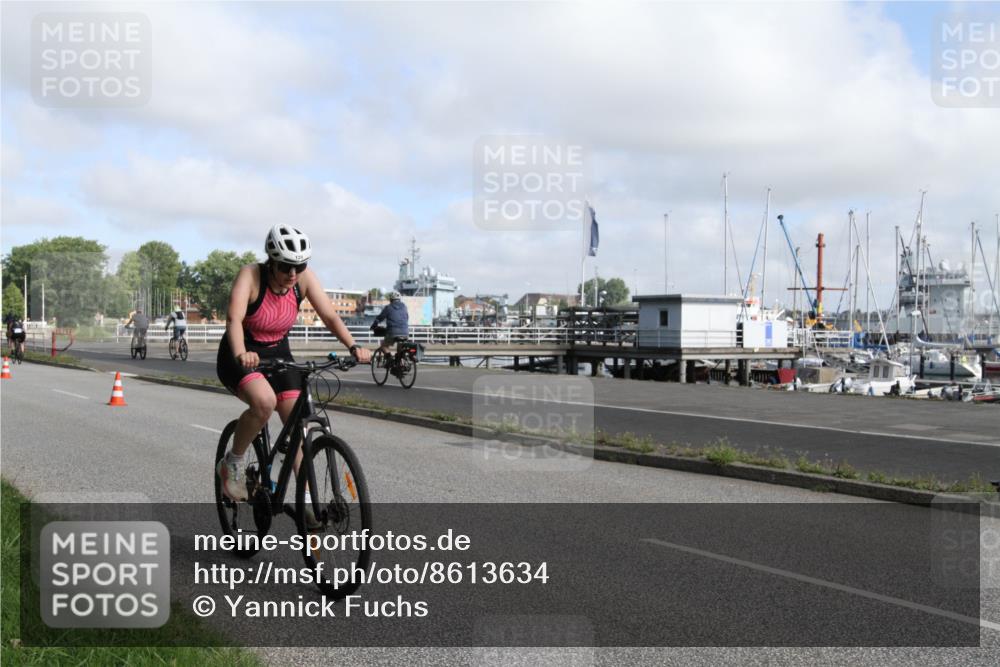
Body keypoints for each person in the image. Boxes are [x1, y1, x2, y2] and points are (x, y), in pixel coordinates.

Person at [216, 224, 372, 504]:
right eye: (286, 266)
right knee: (264, 403)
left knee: (298, 423)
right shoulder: (250, 276)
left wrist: (353, 346)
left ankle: (308, 500)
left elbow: (330, 317)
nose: (292, 274)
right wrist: (242, 353)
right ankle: (233, 463)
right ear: (271, 261)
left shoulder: (303, 279)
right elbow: (234, 319)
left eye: (299, 267)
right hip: (241, 350)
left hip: (278, 351)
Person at [372, 291, 409, 358]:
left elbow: (379, 318)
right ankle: (400, 360)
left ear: (391, 299)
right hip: (405, 332)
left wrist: (374, 325)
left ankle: (390, 358)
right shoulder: (404, 307)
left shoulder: (388, 307)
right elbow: (407, 317)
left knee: (384, 346)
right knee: (400, 349)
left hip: (392, 332)